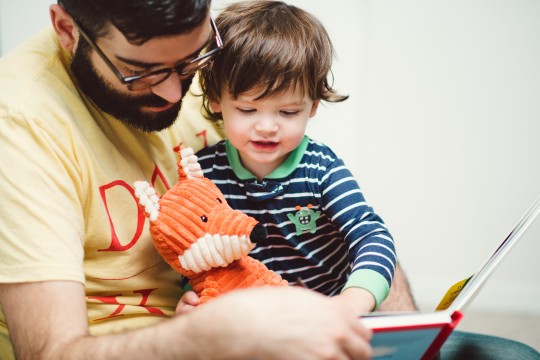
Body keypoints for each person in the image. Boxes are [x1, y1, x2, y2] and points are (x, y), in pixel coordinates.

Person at [0, 1, 375, 359]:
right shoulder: (21, 125)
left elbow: (358, 236)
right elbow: (48, 353)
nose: (175, 92)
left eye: (190, 61)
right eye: (143, 72)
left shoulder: (220, 62)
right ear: (67, 29)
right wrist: (202, 334)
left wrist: (374, 323)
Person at [188, 0, 395, 315]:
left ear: (312, 106)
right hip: (247, 318)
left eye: (288, 112)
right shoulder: (205, 174)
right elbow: (192, 250)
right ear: (217, 98)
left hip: (325, 312)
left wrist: (354, 299)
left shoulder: (321, 169)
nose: (267, 126)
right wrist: (192, 296)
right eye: (247, 110)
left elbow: (371, 234)